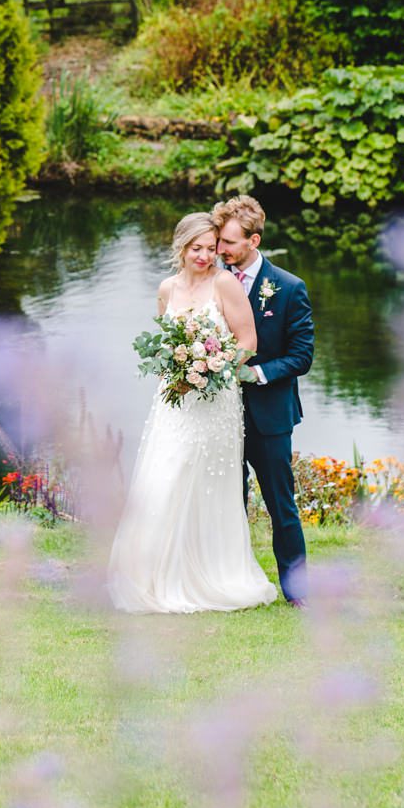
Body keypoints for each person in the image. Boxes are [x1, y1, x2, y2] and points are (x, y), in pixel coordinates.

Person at [106, 212, 282, 614]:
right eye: (195, 248)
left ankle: (208, 574)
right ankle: (150, 577)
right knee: (161, 478)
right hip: (174, 402)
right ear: (181, 248)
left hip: (214, 403)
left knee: (204, 485)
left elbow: (248, 340)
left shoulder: (225, 284)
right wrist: (177, 367)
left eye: (210, 248)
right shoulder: (166, 288)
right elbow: (165, 342)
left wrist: (215, 366)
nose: (204, 256)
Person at [212, 194, 314, 606]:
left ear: (253, 241)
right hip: (217, 414)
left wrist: (257, 372)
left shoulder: (289, 288)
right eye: (218, 241)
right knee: (223, 502)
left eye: (228, 243)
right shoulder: (211, 283)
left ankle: (297, 591)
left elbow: (302, 355)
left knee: (280, 504)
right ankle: (227, 584)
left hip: (269, 416)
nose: (219, 250)